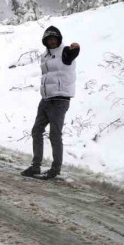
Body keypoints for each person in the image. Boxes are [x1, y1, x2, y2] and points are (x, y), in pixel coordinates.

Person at [21, 26, 80, 180]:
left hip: (60, 100)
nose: (52, 41)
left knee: (55, 135)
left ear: (59, 39)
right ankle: (35, 167)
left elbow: (72, 55)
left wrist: (76, 48)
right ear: (45, 41)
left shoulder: (65, 52)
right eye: (49, 39)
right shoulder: (45, 56)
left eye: (54, 38)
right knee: (36, 131)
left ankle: (55, 169)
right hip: (46, 99)